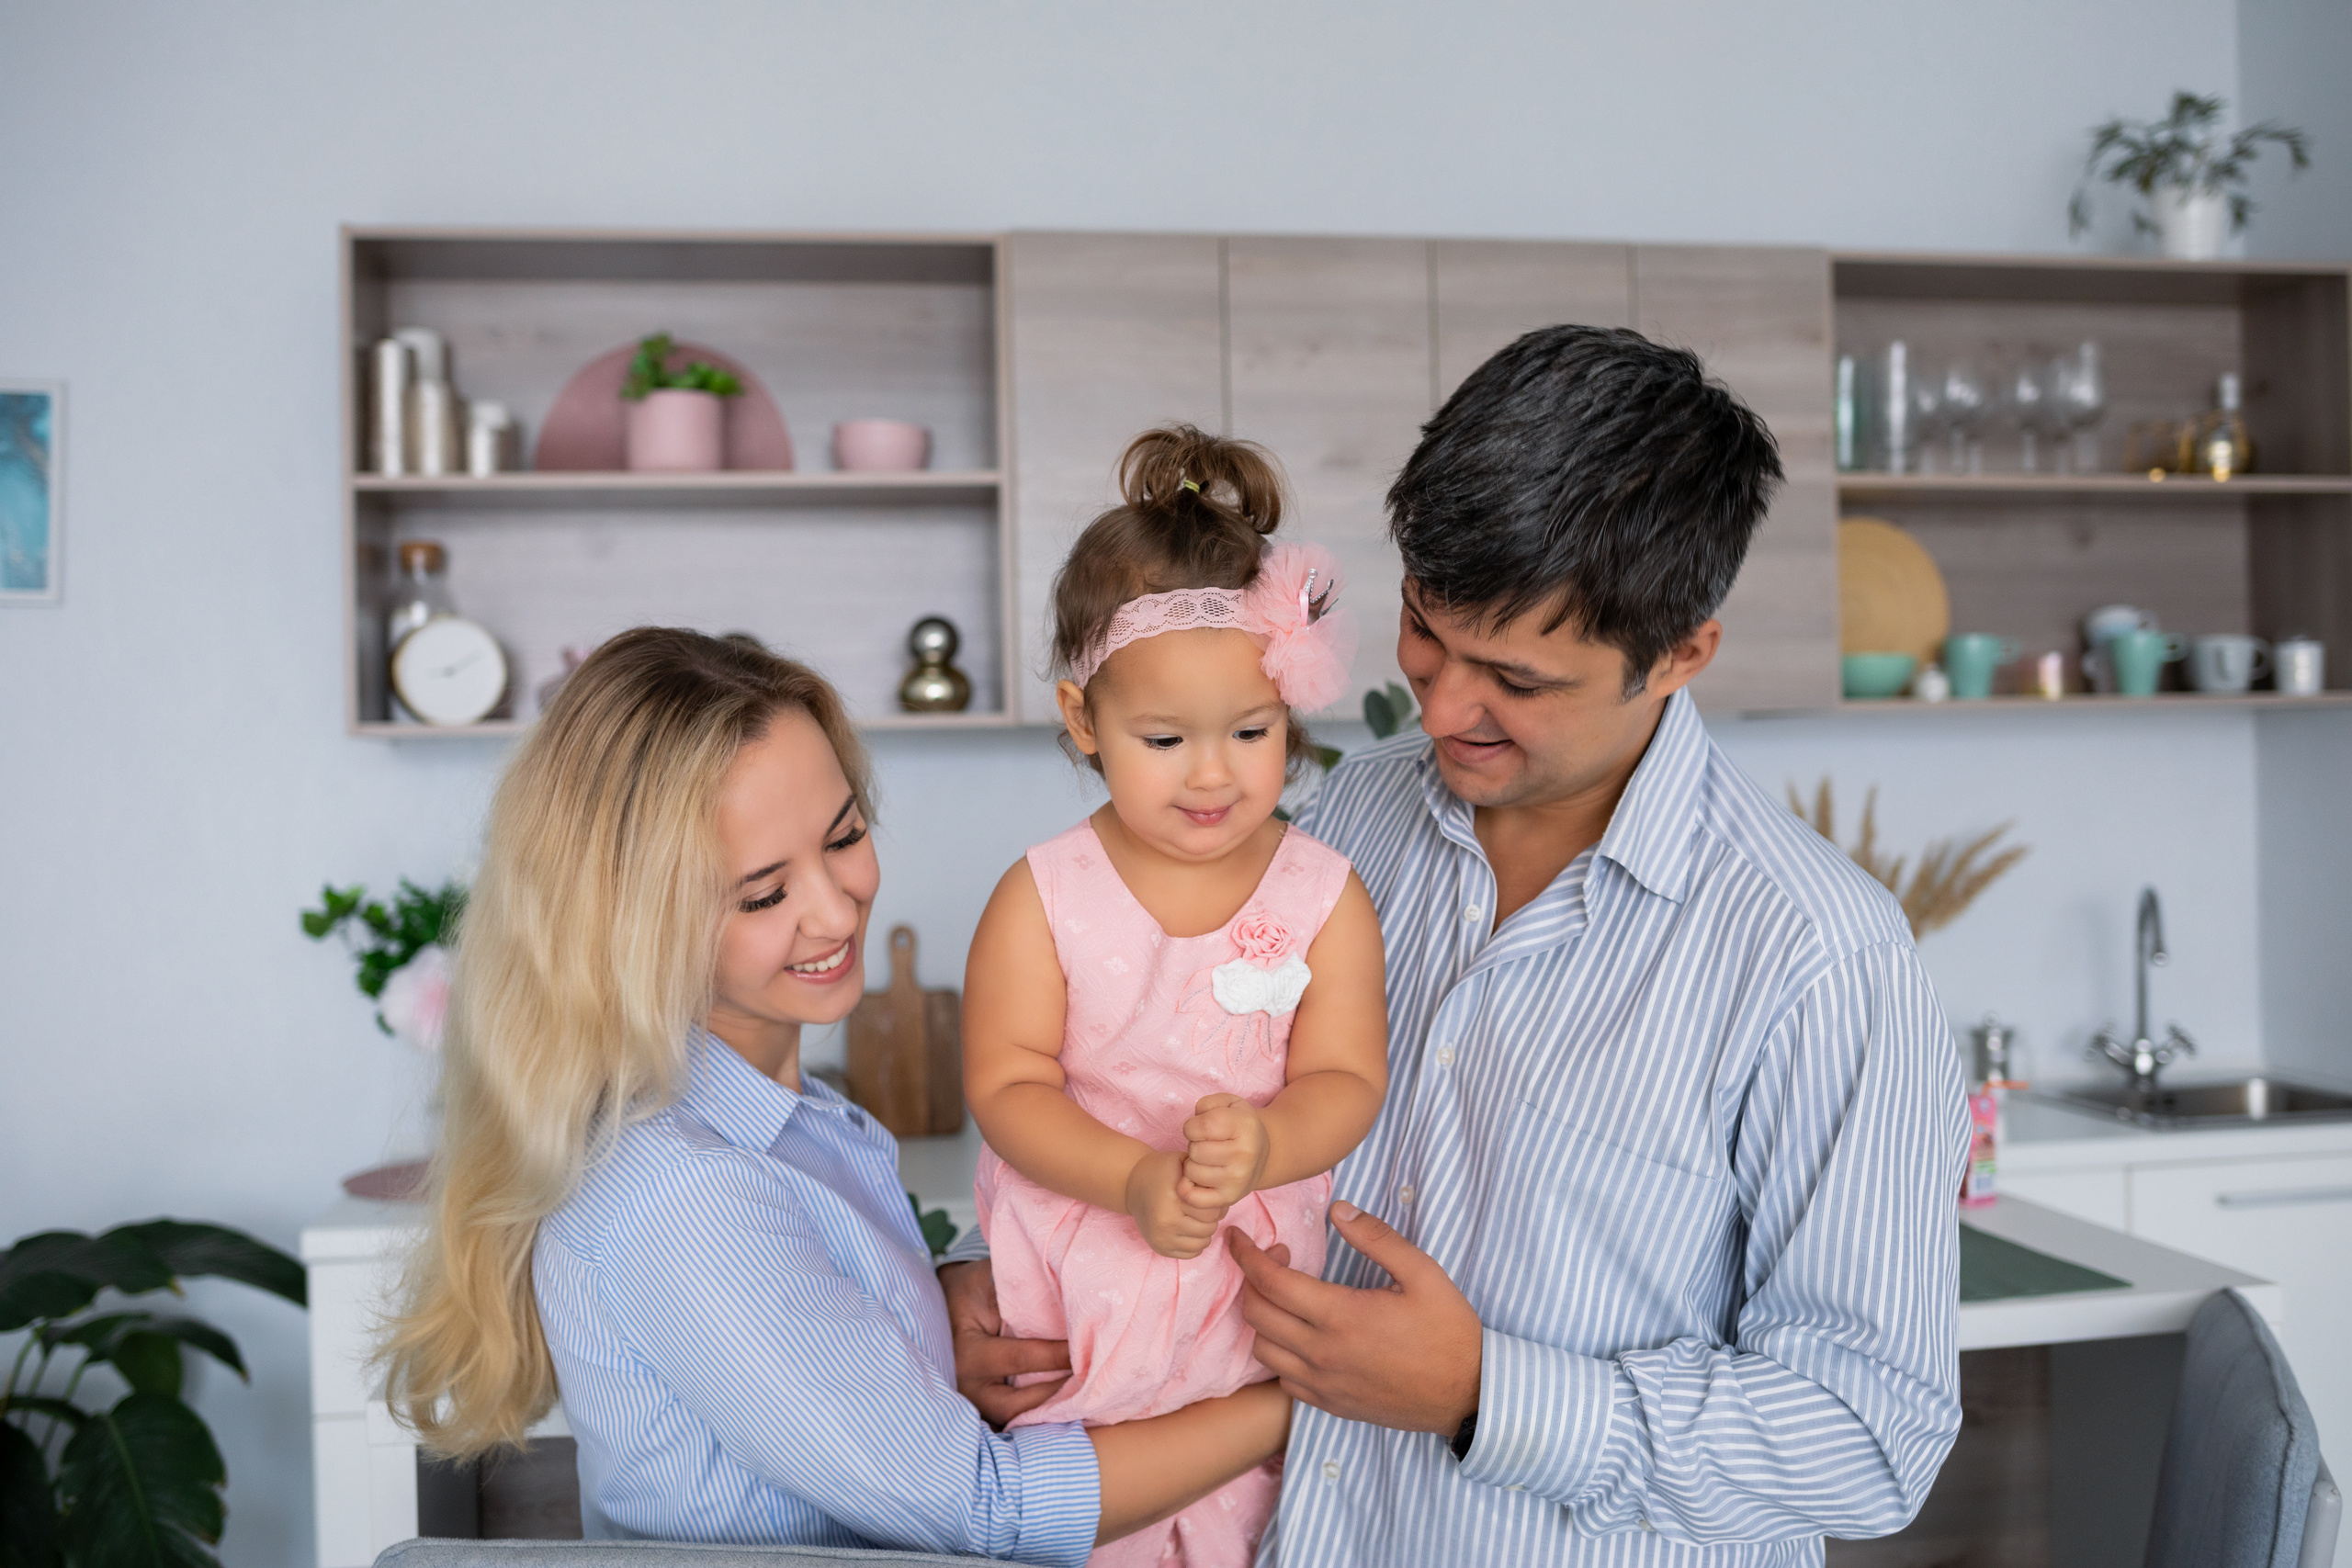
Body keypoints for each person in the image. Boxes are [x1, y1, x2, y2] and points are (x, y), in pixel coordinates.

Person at [948, 324, 1969, 1566]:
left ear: (1683, 649)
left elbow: (1872, 1439)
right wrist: (1001, 1283)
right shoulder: (1344, 822)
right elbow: (1147, 1079)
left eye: (1516, 679)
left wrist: (1487, 1392)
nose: (1439, 706)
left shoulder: (1820, 962)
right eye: (1425, 632)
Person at [377, 627, 1289, 1564]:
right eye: (763, 894)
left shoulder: (795, 1121)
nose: (836, 907)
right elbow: (986, 1510)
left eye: (845, 836)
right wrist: (1295, 1401)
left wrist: (929, 1323)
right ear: (630, 927)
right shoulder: (682, 1193)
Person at [963, 427, 1390, 1567]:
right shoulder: (1042, 896)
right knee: (1104, 1511)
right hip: (1088, 1279)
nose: (1214, 773)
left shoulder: (1323, 892)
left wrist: (1263, 1145)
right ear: (1080, 719)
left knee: (1260, 1514)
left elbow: (1348, 1079)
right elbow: (1005, 1085)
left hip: (1253, 1295)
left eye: (1251, 732)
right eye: (1165, 739)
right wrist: (1138, 1179)